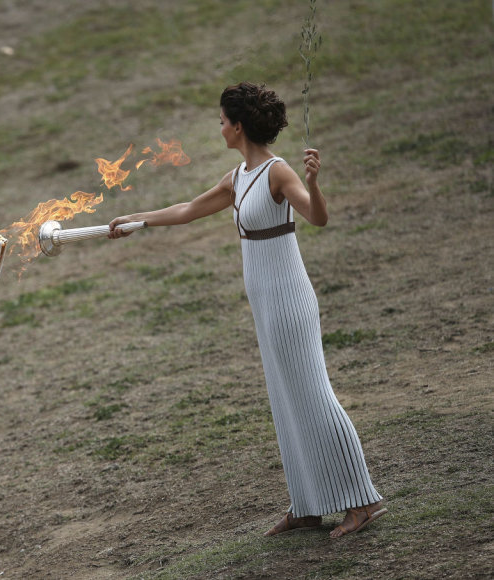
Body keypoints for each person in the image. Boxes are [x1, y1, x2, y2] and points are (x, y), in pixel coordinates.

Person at [108, 82, 386, 538]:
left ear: (238, 126)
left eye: (221, 121)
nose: (218, 127)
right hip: (263, 301)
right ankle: (308, 504)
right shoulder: (237, 178)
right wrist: (137, 220)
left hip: (290, 299)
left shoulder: (278, 173)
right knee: (284, 398)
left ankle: (365, 500)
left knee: (313, 396)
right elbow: (189, 209)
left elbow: (317, 218)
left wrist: (314, 184)